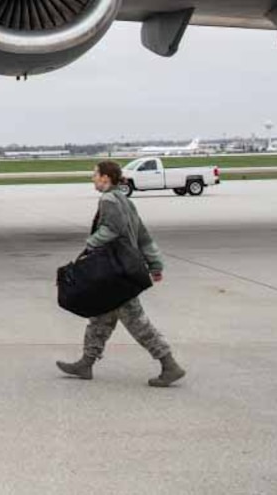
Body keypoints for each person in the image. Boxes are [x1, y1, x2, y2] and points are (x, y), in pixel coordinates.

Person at [57, 160, 185, 387]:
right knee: (100, 319)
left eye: (95, 174)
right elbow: (142, 234)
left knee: (137, 322)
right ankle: (86, 363)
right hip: (120, 272)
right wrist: (155, 265)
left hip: (116, 274)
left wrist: (90, 244)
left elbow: (111, 230)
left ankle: (169, 364)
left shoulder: (108, 199)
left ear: (106, 177)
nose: (92, 178)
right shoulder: (125, 200)